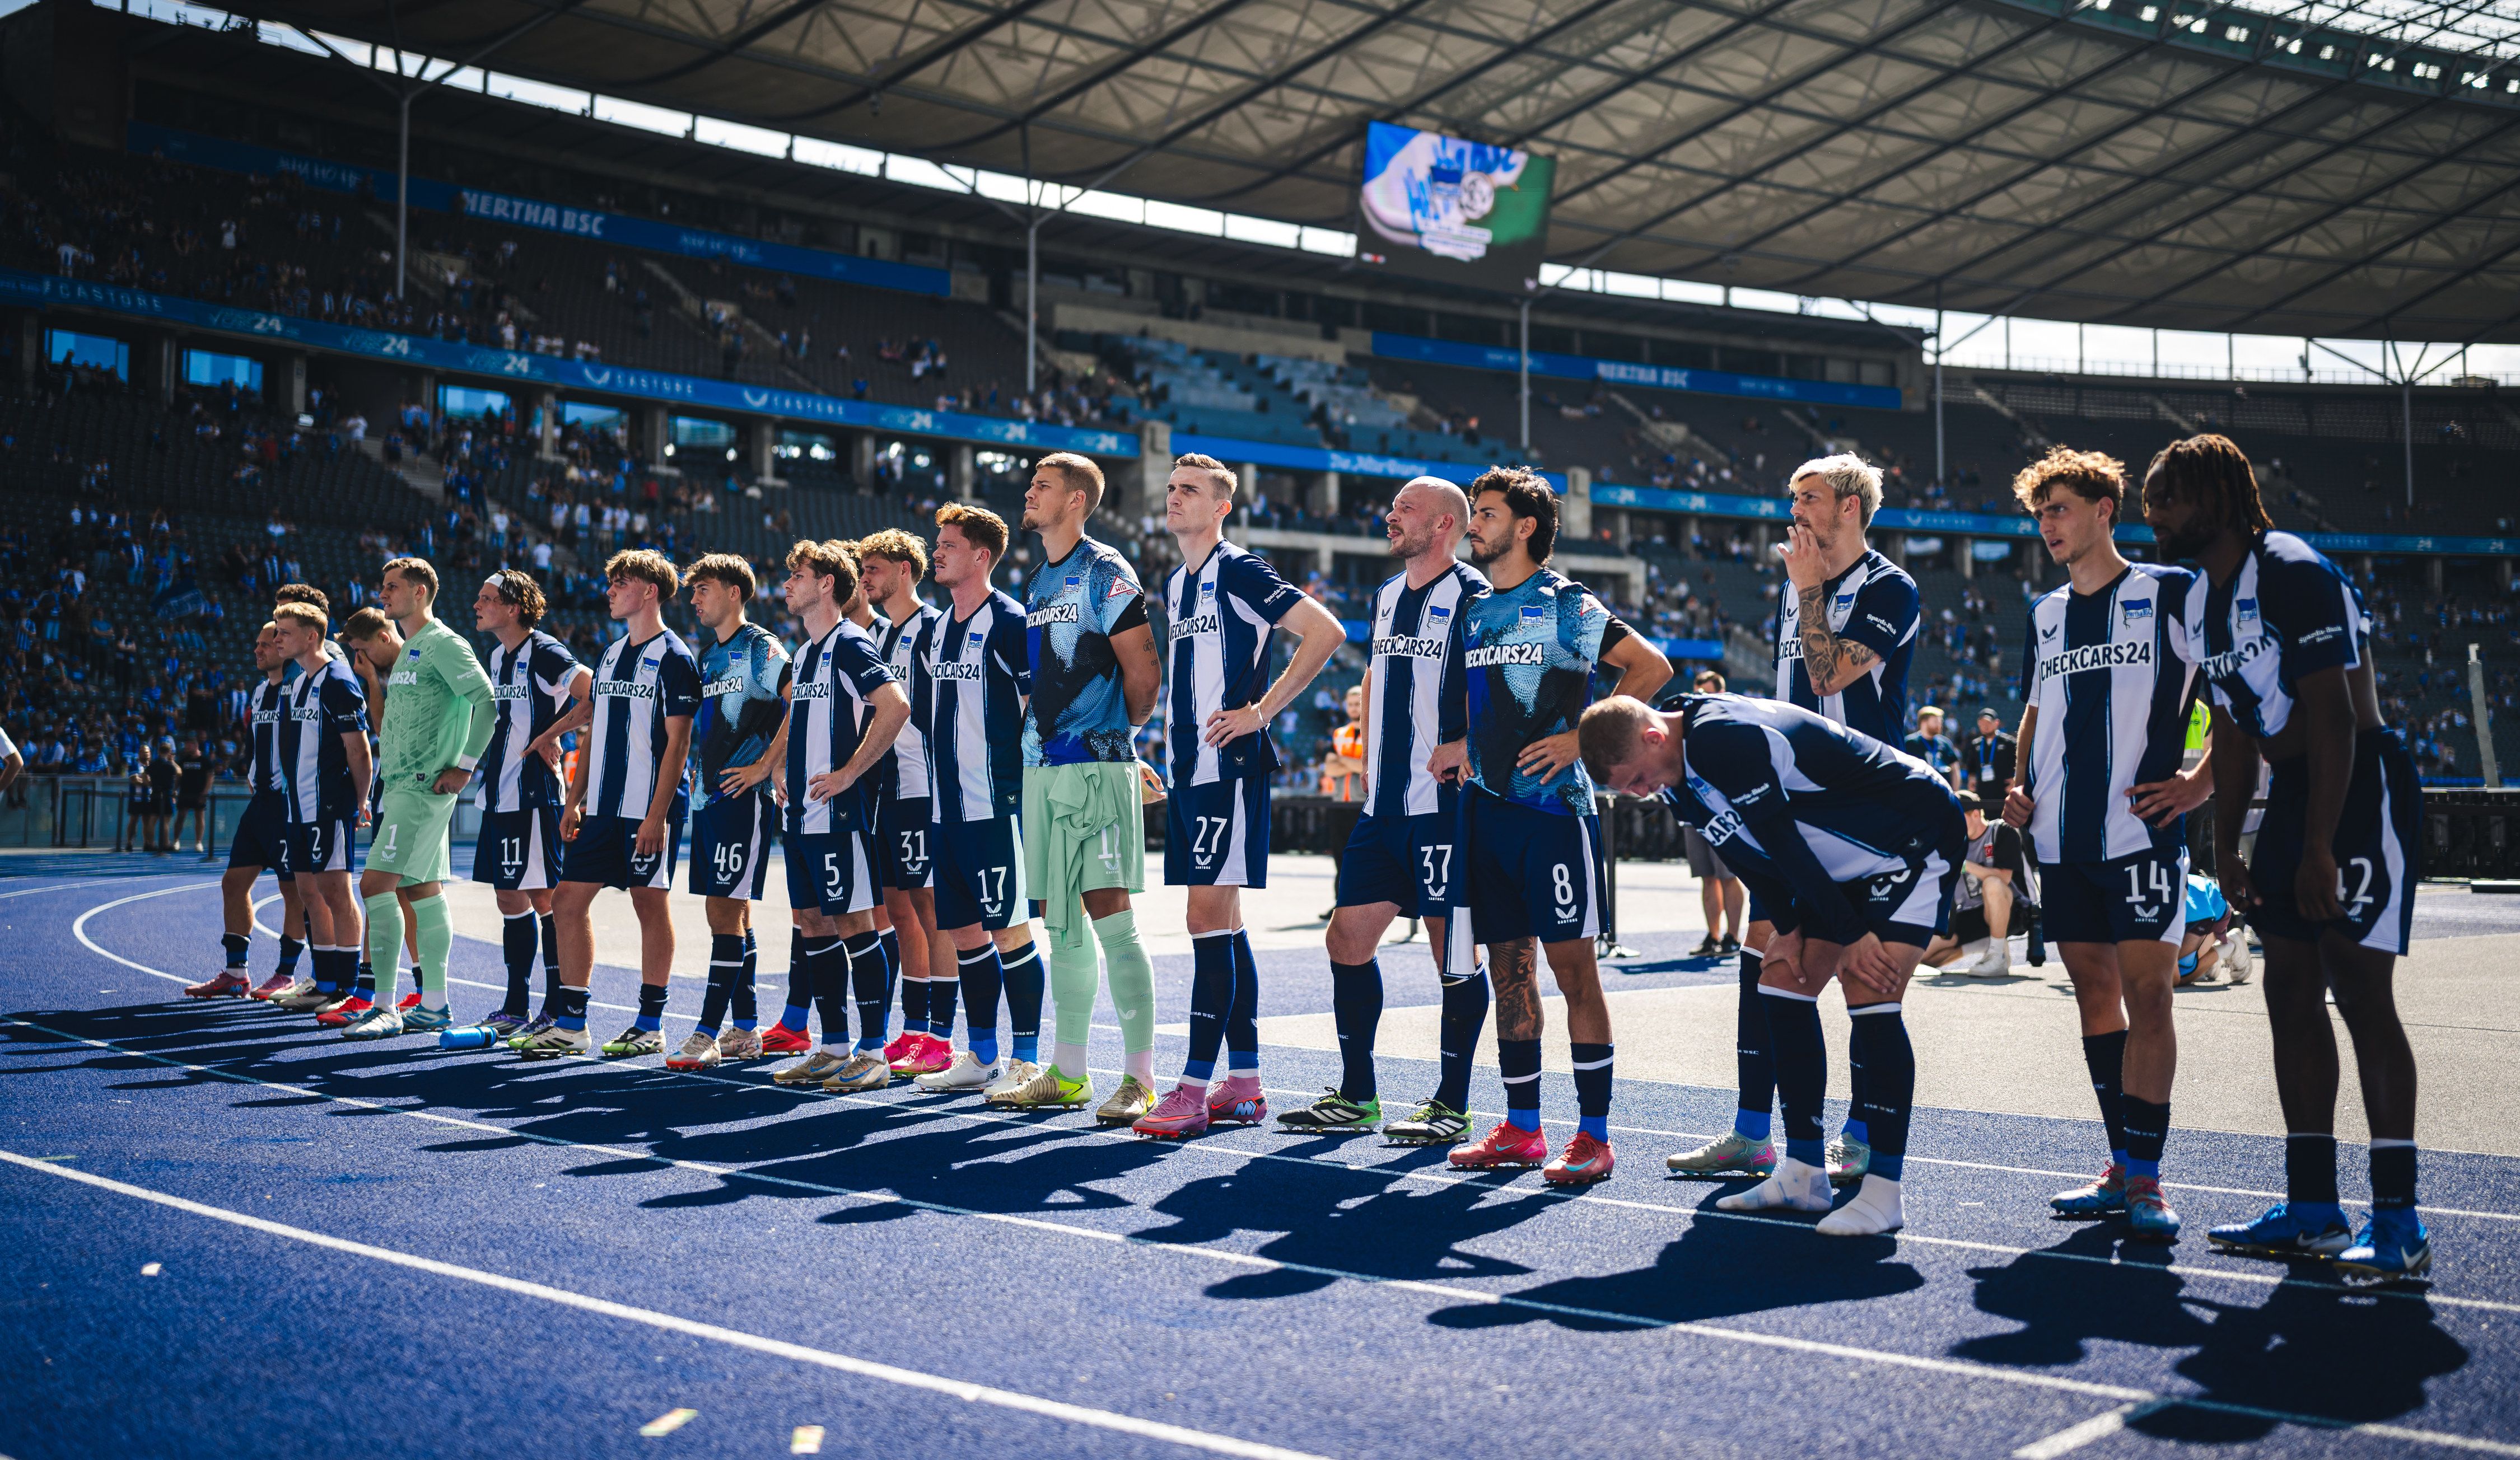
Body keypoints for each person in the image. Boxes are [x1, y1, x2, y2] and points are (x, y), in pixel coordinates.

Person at [2147, 434, 2428, 1283]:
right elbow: (2234, 731)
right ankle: (2312, 1207)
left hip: (2360, 784)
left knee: (2358, 988)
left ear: (2217, 499)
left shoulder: (2294, 570)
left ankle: (2400, 1219)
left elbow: (2337, 718)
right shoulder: (2200, 602)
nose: (2153, 514)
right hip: (2297, 796)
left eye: (2168, 498)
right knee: (2289, 991)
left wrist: (2314, 849)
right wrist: (2231, 844)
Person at [1579, 691, 1963, 1236]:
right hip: (1838, 862)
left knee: (1868, 985)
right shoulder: (1669, 769)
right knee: (1782, 980)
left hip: (1909, 833)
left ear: (1654, 737)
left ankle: (1883, 1193)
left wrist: (1850, 933)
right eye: (1629, 790)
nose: (1643, 793)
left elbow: (1779, 837)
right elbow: (1740, 849)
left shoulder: (1723, 738)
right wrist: (1788, 924)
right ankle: (1804, 1174)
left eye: (1638, 779)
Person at [1670, 452, 1916, 1185]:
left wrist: (1807, 590)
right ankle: (1753, 1132)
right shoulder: (1797, 587)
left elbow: (1829, 674)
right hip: (1789, 803)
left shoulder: (1888, 587)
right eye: (1792, 496)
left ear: (1849, 507)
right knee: (1765, 953)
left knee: (1856, 971)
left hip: (1860, 811)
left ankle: (1862, 1130)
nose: (1794, 510)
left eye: (1808, 497)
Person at [1426, 466, 1671, 1184]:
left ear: (1525, 527)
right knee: (1509, 973)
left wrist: (1582, 740)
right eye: (1473, 511)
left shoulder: (1565, 602)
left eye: (1487, 513)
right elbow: (1487, 709)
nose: (1475, 522)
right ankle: (1522, 1129)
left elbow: (1648, 668)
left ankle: (1594, 1135)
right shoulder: (1474, 611)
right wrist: (1467, 748)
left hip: (1555, 816)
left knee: (1573, 972)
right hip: (1490, 815)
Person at [2002, 445, 2215, 1238]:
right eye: (2040, 514)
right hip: (2059, 842)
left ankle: (2151, 1180)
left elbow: (2241, 688)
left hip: (2143, 836)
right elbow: (2033, 709)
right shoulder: (2045, 614)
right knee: (2095, 997)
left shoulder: (2173, 593)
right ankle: (2121, 1162)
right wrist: (2018, 786)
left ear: (2104, 512)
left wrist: (2200, 781)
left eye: (2059, 509)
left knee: (2150, 996)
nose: (2048, 525)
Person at [1131, 454, 1343, 1140]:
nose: (1175, 498)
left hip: (1231, 768)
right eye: (1170, 489)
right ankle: (1244, 1082)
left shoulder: (1241, 570)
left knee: (1204, 918)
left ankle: (1192, 1088)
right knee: (1223, 923)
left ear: (1223, 506)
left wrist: (1262, 709)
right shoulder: (1176, 580)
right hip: (1191, 770)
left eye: (1190, 490)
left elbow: (1325, 631)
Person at [1282, 476, 1486, 1138]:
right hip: (1385, 809)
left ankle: (1452, 1104)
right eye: (1393, 507)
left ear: (1445, 526)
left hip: (1446, 809)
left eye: (1406, 509)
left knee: (1450, 952)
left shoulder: (1475, 596)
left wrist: (1467, 742)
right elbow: (1376, 674)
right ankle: (1358, 1095)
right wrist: (1369, 754)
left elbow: (1501, 687)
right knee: (1346, 937)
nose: (1390, 516)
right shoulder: (1387, 595)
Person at [996, 453, 1165, 1122]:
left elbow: (1144, 673)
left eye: (1042, 486)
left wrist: (1112, 744)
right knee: (1060, 925)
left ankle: (1141, 1077)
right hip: (1043, 769)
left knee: (1112, 919)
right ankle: (1069, 1072)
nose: (1029, 493)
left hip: (1093, 768)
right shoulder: (1038, 581)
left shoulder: (1106, 569)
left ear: (1075, 501)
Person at [519, 550, 701, 1060]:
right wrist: (574, 799)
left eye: (622, 583)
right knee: (567, 903)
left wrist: (658, 815)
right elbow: (595, 731)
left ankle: (649, 1022)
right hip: (599, 808)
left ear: (650, 591)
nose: (611, 590)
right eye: (611, 582)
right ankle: (574, 1022)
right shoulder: (611, 654)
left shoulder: (676, 659)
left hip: (649, 808)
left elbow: (679, 745)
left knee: (649, 904)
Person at [907, 504, 1047, 1097]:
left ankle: (1029, 1059)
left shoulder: (1011, 621)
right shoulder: (934, 630)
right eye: (938, 544)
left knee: (1011, 931)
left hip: (997, 808)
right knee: (965, 934)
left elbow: (1038, 707)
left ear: (982, 556)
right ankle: (982, 1053)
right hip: (945, 812)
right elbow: (920, 710)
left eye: (949, 545)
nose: (937, 553)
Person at [764, 539, 912, 1093]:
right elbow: (804, 724)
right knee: (813, 926)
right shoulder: (803, 655)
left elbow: (895, 705)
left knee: (856, 924)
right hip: (801, 818)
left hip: (839, 816)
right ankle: (831, 1046)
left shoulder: (852, 643)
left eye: (797, 575)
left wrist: (849, 773)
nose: (787, 585)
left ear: (827, 583)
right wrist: (780, 766)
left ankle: (873, 1050)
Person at [329, 558, 496, 1039]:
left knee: (375, 885)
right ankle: (436, 1006)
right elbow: (388, 728)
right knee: (420, 889)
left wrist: (464, 766)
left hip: (423, 786)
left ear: (421, 592)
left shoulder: (443, 643)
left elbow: (486, 702)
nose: (383, 594)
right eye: (382, 586)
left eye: (392, 587)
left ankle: (384, 1007)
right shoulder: (408, 653)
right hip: (401, 785)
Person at [668, 554, 792, 1071]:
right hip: (712, 801)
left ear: (735, 593)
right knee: (731, 912)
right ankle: (745, 1030)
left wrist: (767, 765)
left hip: (743, 801)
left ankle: (706, 1033)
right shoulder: (708, 655)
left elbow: (799, 699)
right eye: (693, 592)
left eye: (704, 589)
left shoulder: (760, 646)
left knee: (723, 911)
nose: (694, 599)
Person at [471, 569, 589, 1042]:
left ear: (514, 606)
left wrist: (551, 735)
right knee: (508, 898)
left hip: (534, 794)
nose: (476, 605)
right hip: (499, 795)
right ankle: (515, 1005)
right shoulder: (498, 656)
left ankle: (557, 1008)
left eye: (487, 598)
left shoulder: (545, 652)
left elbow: (595, 691)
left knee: (546, 899)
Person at [857, 528, 951, 1078]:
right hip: (885, 791)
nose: (865, 577)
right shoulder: (882, 636)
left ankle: (940, 1032)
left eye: (874, 568)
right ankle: (913, 1027)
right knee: (896, 910)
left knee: (930, 909)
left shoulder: (933, 629)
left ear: (904, 570)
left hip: (924, 786)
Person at [185, 622, 306, 1000]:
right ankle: (236, 973)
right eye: (256, 644)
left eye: (266, 644)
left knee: (293, 889)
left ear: (284, 646)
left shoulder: (299, 686)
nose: (257, 650)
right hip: (261, 803)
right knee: (233, 882)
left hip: (289, 804)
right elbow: (255, 744)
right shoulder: (257, 693)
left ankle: (286, 974)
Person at [264, 600, 371, 1014]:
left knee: (336, 892)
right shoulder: (299, 682)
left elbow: (359, 751)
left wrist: (361, 803)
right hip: (298, 807)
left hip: (329, 806)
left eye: (285, 632)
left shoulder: (338, 680)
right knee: (308, 890)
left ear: (312, 636)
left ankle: (347, 983)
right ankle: (325, 980)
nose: (277, 639)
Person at [1921, 792, 2023, 976]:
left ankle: (1997, 954)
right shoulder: (1953, 843)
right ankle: (1983, 944)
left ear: (1976, 814)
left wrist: (1965, 865)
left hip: (2007, 909)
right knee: (1923, 957)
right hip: (1968, 912)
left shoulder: (2002, 830)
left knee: (1992, 883)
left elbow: (2004, 879)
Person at [1681, 672, 1745, 958]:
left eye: (1706, 694)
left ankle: (1733, 936)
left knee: (1729, 876)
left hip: (1724, 811)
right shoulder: (1686, 725)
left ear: (1721, 693)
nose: (1701, 700)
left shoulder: (1731, 722)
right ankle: (1714, 935)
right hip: (1695, 811)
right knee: (1707, 877)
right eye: (1697, 694)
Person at [2175, 872, 2242, 986]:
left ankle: (2230, 946)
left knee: (2174, 977)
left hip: (2207, 906)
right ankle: (2203, 957)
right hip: (2192, 903)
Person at [1964, 706, 2017, 806]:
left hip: (2004, 792)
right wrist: (1971, 779)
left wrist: (2015, 780)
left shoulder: (2008, 743)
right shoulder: (1976, 744)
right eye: (1982, 723)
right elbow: (1971, 766)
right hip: (1982, 791)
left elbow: (2020, 763)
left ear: (1996, 723)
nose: (1985, 726)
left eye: (1988, 723)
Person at [1904, 705, 1962, 790]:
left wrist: (1955, 792)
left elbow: (1955, 769)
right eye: (1936, 722)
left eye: (1941, 722)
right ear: (1924, 722)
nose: (1940, 725)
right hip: (1920, 793)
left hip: (1943, 792)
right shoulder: (1910, 743)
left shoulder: (1945, 743)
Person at [174, 736, 212, 855]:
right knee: (181, 816)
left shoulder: (205, 760)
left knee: (199, 817)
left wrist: (205, 793)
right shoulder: (183, 760)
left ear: (195, 745)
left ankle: (198, 842)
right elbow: (178, 777)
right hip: (185, 792)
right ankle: (176, 841)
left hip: (199, 793)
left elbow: (210, 777)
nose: (186, 747)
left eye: (188, 745)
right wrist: (175, 790)